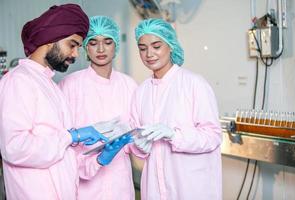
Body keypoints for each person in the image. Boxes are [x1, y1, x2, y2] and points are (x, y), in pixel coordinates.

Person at [0, 4, 111, 199]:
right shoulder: (18, 81)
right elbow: (14, 148)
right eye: (72, 44)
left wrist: (97, 160)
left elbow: (62, 154)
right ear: (51, 39)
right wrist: (71, 136)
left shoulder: (49, 85)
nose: (76, 54)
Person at [131, 18, 222, 200]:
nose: (149, 53)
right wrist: (139, 146)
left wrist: (174, 135)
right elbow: (136, 138)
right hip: (155, 188)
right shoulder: (141, 92)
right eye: (143, 48)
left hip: (192, 187)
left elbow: (213, 136)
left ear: (170, 45)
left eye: (156, 46)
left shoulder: (194, 84)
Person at [59, 16, 137, 200]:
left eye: (107, 42)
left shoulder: (130, 86)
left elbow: (136, 135)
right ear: (85, 47)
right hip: (83, 186)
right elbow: (60, 140)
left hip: (121, 184)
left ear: (115, 45)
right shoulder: (69, 85)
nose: (101, 49)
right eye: (94, 43)